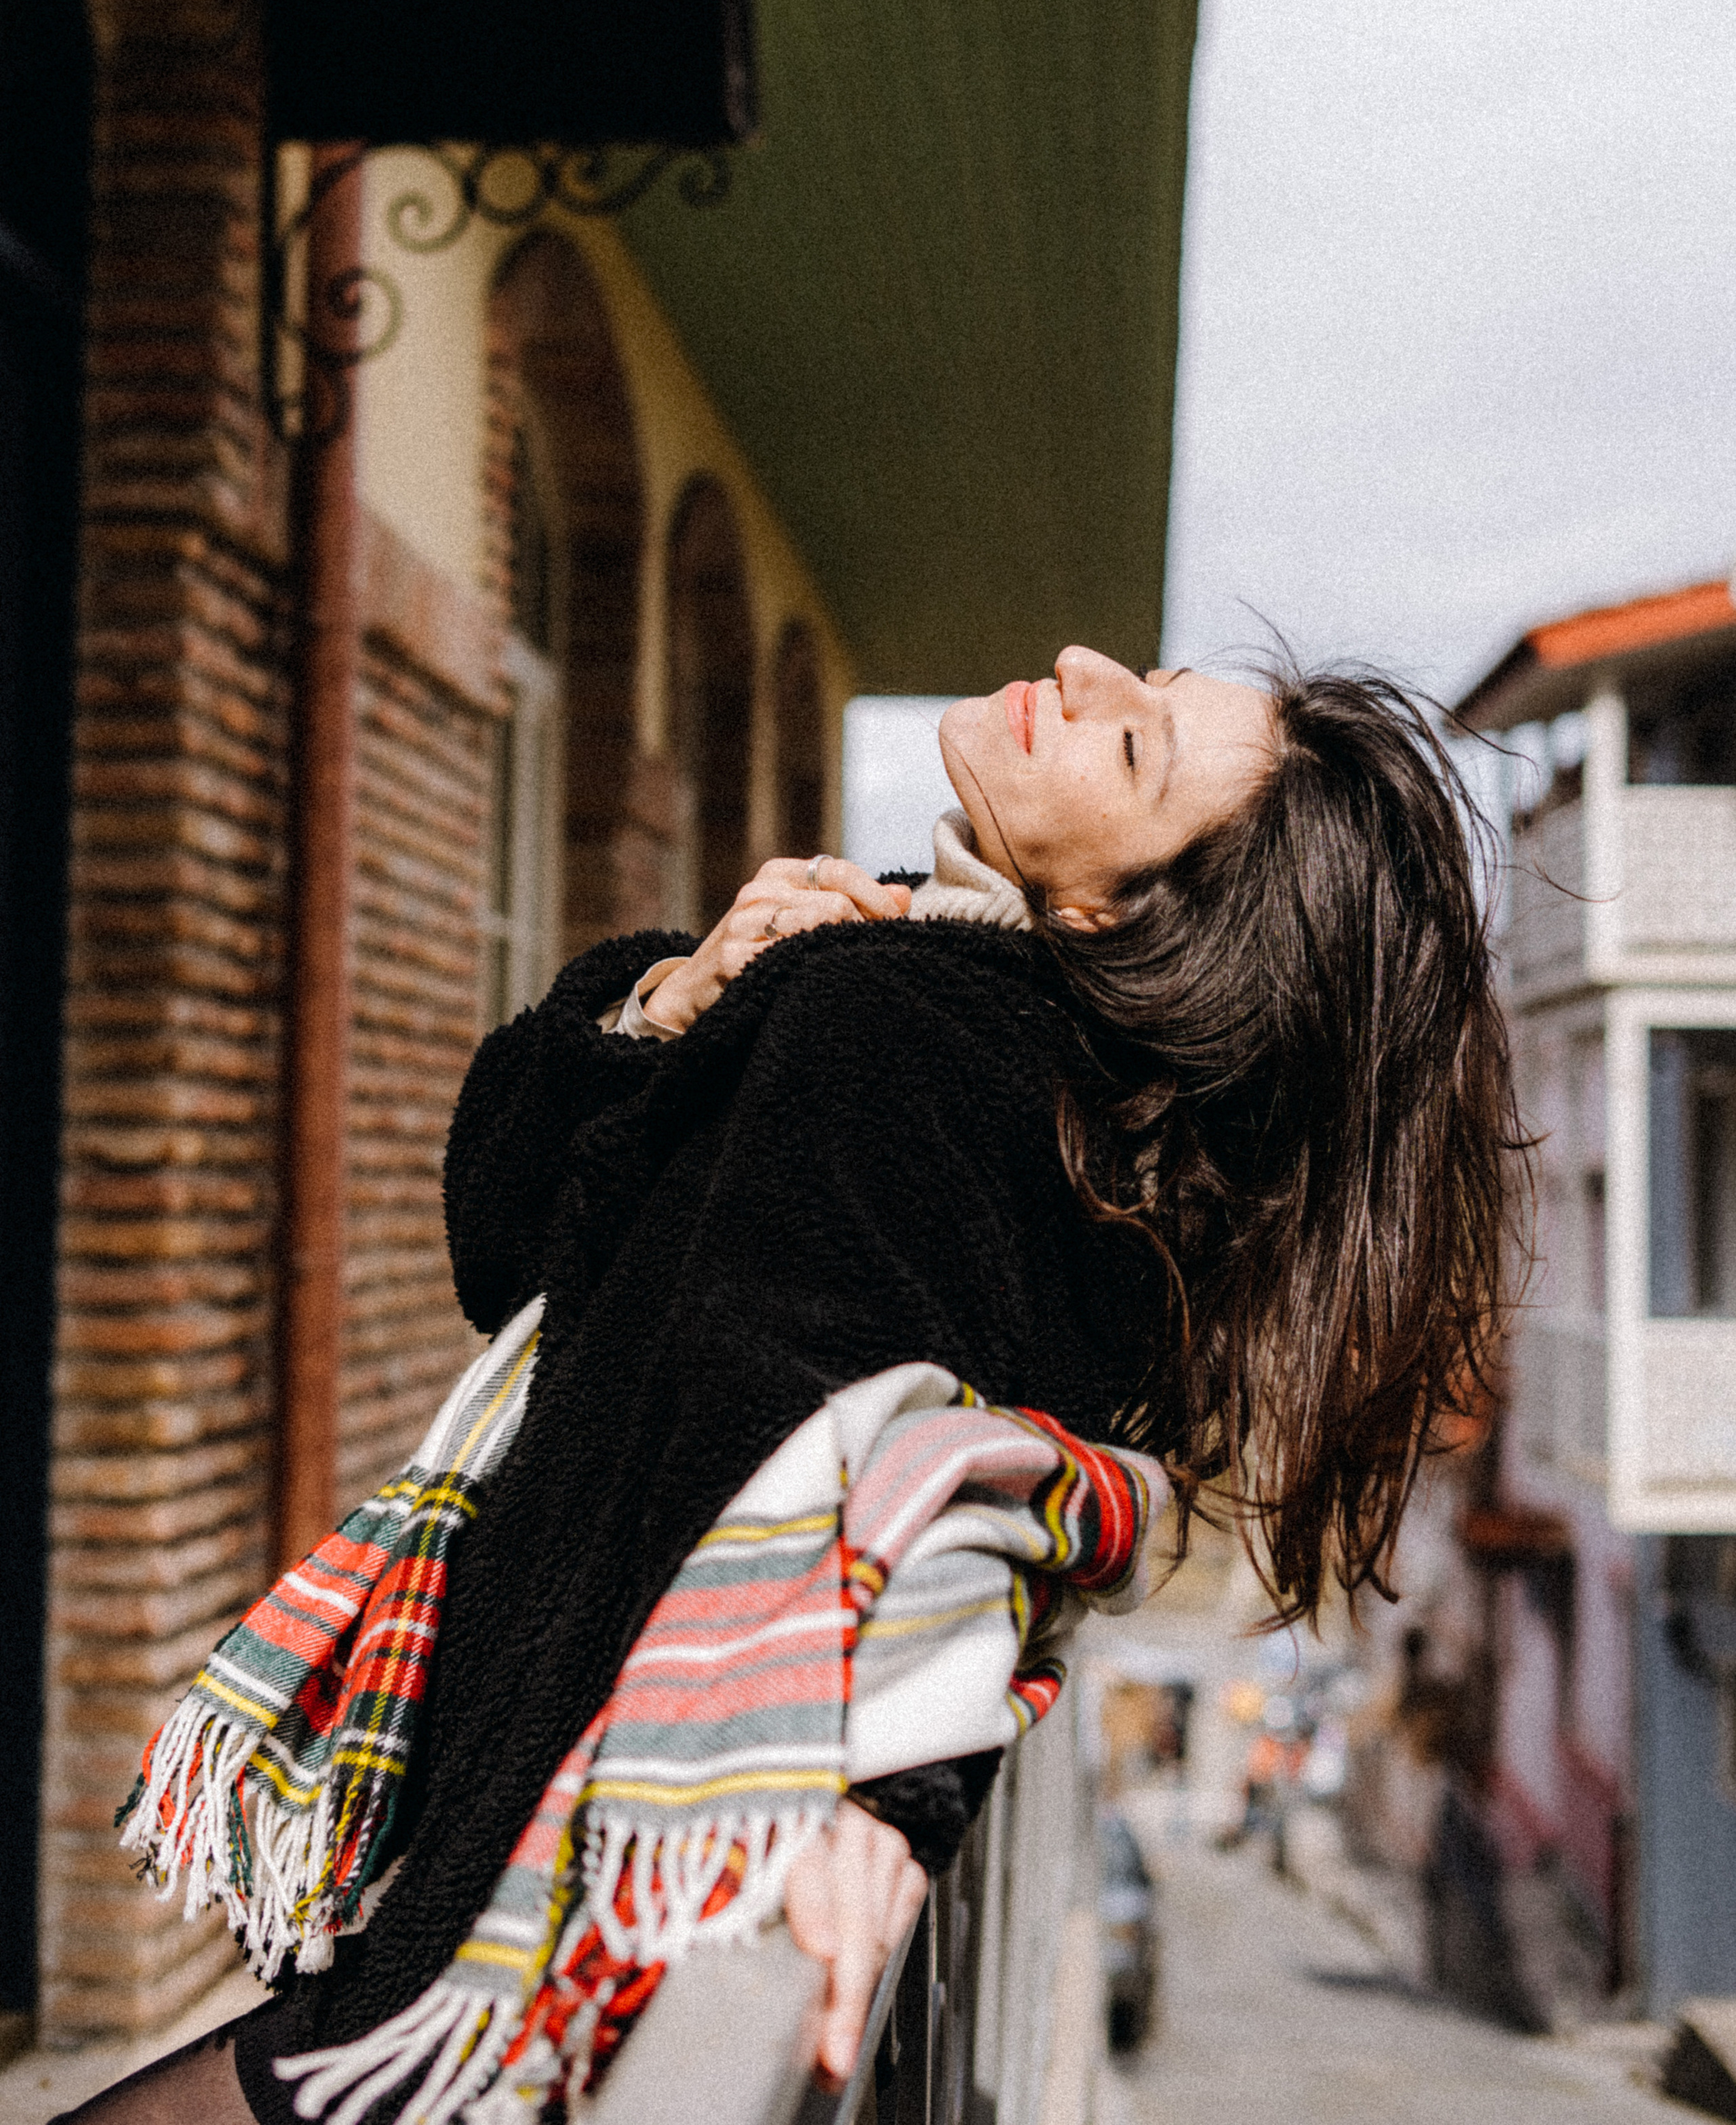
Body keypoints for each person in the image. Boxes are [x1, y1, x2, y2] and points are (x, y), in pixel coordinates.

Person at [87, 646, 1524, 2125]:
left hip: (520, 1916)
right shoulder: (1007, 1076)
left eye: (1134, 747)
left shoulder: (904, 1042)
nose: (1087, 670)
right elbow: (525, 1250)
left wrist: (880, 1794)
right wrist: (670, 1007)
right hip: (525, 1898)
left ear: (1112, 914)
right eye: (1146, 675)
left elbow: (832, 1453)